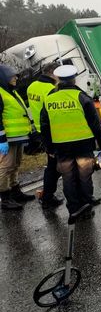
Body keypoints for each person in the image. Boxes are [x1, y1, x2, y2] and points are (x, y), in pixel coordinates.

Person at [40, 64, 101, 223]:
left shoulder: (49, 99)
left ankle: (74, 209)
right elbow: (94, 124)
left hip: (61, 146)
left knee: (68, 177)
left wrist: (48, 147)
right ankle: (86, 204)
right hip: (83, 143)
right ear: (74, 78)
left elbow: (44, 125)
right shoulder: (82, 98)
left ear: (58, 79)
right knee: (84, 176)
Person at [26, 61, 63, 209]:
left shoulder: (32, 86)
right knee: (56, 166)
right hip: (53, 130)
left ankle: (47, 196)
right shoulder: (51, 88)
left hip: (41, 130)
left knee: (53, 164)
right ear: (53, 73)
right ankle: (48, 197)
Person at [0, 64, 35, 210]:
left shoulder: (11, 92)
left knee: (15, 165)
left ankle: (15, 191)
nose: (16, 77)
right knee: (5, 167)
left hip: (18, 136)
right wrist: (1, 139)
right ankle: (5, 198)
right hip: (7, 138)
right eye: (12, 75)